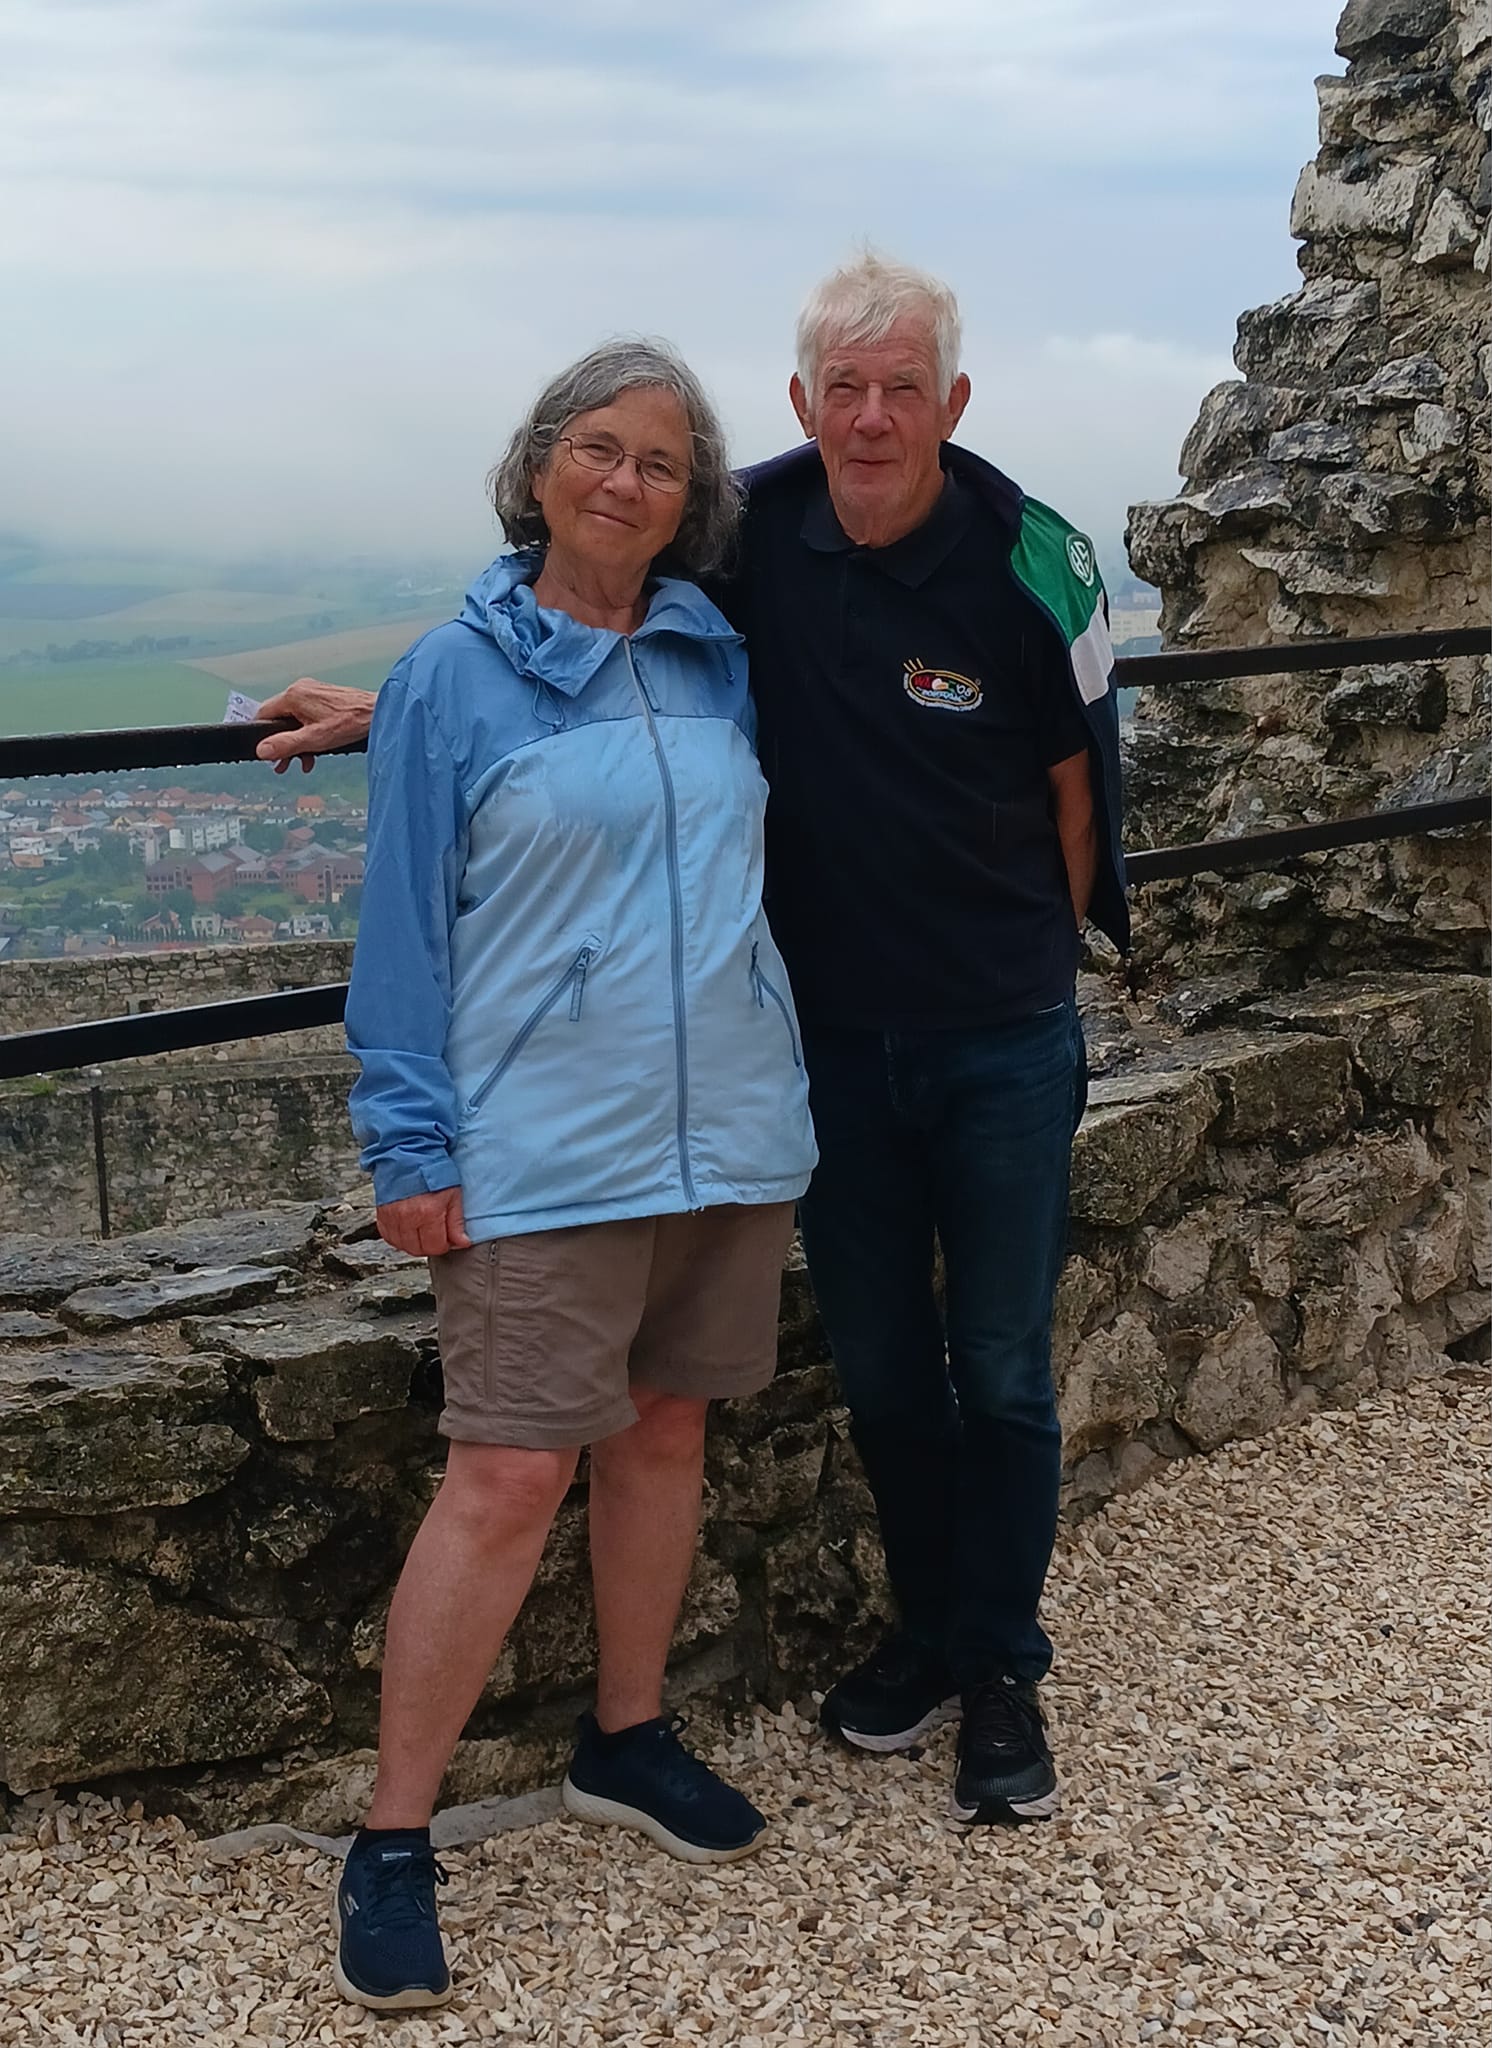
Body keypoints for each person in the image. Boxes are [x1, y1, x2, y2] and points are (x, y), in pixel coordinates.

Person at [260, 253, 1128, 1841]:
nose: (873, 417)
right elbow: (555, 647)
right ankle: (921, 1640)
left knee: (1001, 1371)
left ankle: (1000, 1667)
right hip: (818, 1062)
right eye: (844, 388)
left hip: (981, 1040)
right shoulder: (756, 542)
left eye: (905, 388)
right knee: (882, 1375)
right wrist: (409, 707)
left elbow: (1085, 791)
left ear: (952, 400)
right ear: (804, 400)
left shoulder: (1020, 561)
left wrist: (1032, 969)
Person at [327, 337, 816, 2013]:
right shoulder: (452, 679)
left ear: (693, 505)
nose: (625, 481)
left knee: (665, 1431)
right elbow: (403, 931)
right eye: (599, 448)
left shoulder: (713, 659)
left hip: (729, 1132)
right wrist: (409, 1143)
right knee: (508, 1476)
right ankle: (394, 1835)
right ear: (538, 467)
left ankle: (626, 1736)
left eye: (662, 464)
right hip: (543, 1150)